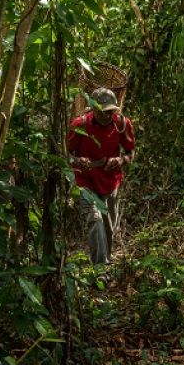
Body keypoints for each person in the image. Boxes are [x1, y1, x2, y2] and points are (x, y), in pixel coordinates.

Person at [67, 87, 135, 264]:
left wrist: (121, 160)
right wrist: (77, 160)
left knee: (108, 227)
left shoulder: (122, 124)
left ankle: (106, 260)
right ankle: (101, 268)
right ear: (93, 109)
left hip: (110, 181)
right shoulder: (79, 125)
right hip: (86, 180)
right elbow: (66, 154)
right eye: (102, 112)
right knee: (94, 220)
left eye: (110, 112)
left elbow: (130, 152)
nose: (106, 116)